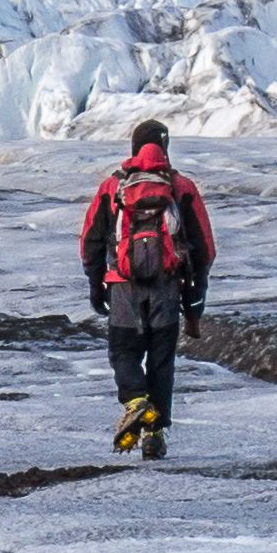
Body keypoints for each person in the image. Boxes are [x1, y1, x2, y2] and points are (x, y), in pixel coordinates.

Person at [79, 115, 215, 455]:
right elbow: (204, 247)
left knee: (123, 352)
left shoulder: (114, 186)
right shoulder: (181, 187)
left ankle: (136, 399)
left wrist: (96, 285)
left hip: (123, 286)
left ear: (135, 147)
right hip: (167, 288)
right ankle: (154, 433)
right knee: (161, 360)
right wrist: (196, 296)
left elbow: (91, 241)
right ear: (165, 148)